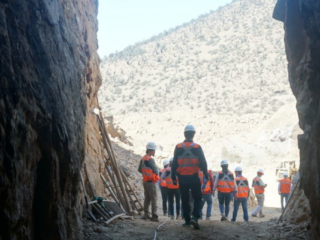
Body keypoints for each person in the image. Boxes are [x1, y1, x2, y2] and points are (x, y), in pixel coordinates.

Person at [171, 124, 208, 230]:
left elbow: (174, 163)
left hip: (182, 178)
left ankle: (187, 220)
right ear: (193, 134)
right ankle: (195, 217)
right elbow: (203, 162)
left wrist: (173, 176)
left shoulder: (178, 147)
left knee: (185, 199)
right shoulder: (197, 147)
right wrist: (205, 174)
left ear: (184, 134)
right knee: (197, 198)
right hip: (194, 177)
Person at [138, 142, 159, 222]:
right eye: (154, 150)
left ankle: (146, 214)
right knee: (153, 198)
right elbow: (156, 171)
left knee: (147, 198)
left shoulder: (143, 158)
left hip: (145, 181)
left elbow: (139, 169)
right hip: (151, 182)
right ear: (151, 150)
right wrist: (152, 174)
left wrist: (145, 174)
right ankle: (154, 216)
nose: (154, 152)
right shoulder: (150, 160)